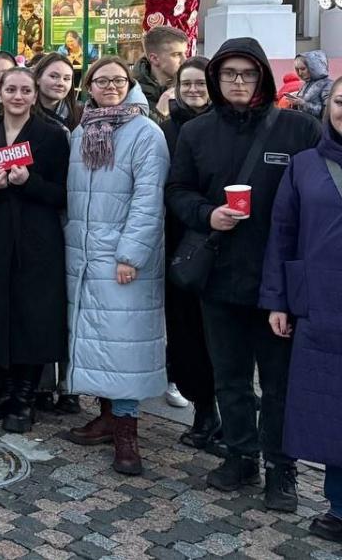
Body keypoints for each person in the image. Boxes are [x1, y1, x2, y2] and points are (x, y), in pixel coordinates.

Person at [166, 38, 319, 510]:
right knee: (229, 376)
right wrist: (207, 214)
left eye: (247, 73)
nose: (238, 82)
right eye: (229, 73)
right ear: (216, 78)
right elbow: (177, 190)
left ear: (262, 78)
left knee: (278, 383)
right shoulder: (197, 132)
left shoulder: (298, 128)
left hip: (277, 282)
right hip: (219, 275)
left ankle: (281, 468)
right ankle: (240, 454)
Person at [64, 57, 168, 477]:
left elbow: (149, 198)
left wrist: (131, 254)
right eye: (101, 80)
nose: (110, 86)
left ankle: (127, 432)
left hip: (122, 257)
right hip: (84, 253)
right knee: (97, 340)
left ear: (130, 84)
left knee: (123, 343)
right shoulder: (82, 131)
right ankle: (106, 415)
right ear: (89, 86)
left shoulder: (145, 132)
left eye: (118, 80)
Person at [0, 67, 69, 433]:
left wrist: (30, 181)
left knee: (32, 316)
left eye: (25, 90)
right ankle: (4, 388)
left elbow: (63, 194)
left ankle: (25, 394)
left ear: (35, 94)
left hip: (37, 241)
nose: (18, 96)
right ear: (0, 92)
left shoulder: (52, 136)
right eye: (11, 89)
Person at [262, 77, 342, 544]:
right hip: (322, 305)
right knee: (331, 405)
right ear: (328, 106)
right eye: (341, 102)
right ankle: (339, 505)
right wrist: (278, 300)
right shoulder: (305, 165)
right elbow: (283, 233)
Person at [160, 57, 221, 454]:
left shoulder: (225, 127)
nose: (194, 90)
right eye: (188, 84)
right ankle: (203, 410)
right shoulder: (166, 130)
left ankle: (223, 410)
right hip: (179, 243)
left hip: (221, 242)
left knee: (219, 333)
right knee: (186, 332)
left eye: (201, 84)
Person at [134, 25, 190, 120]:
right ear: (154, 59)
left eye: (185, 53)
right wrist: (160, 113)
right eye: (177, 54)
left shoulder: (191, 88)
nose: (185, 60)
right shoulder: (131, 93)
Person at [33, 53, 81, 132]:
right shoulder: (22, 112)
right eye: (53, 76)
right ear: (38, 78)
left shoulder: (81, 115)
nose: (61, 83)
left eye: (66, 79)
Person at [287, 50, 332, 119]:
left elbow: (328, 112)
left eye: (303, 69)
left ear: (314, 67)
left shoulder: (327, 85)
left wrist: (303, 103)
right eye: (297, 69)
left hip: (317, 125)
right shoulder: (306, 84)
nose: (300, 73)